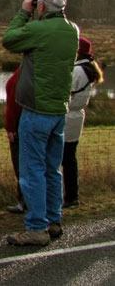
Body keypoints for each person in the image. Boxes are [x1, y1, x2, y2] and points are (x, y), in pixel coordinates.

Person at [3, 0, 78, 246]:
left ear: (42, 7)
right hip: (59, 110)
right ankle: (53, 220)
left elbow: (9, 39)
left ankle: (36, 227)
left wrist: (24, 12)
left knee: (31, 170)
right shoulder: (72, 31)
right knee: (51, 169)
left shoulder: (38, 29)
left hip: (35, 111)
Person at [62, 36, 104, 208]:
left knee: (64, 158)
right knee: (70, 158)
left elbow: (65, 92)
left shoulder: (77, 71)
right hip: (76, 116)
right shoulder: (88, 69)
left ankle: (69, 196)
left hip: (68, 116)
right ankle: (72, 196)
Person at [5, 67, 25, 214]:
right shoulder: (48, 66)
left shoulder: (23, 72)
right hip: (47, 119)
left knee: (21, 166)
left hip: (21, 124)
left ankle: (24, 202)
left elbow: (14, 102)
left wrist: (11, 126)